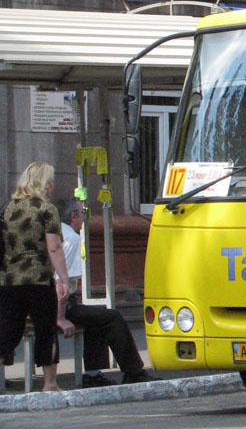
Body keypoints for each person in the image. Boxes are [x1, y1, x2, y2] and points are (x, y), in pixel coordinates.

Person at [56, 198, 153, 387]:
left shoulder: (55, 232)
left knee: (96, 318)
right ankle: (133, 371)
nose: (85, 216)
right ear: (73, 216)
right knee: (112, 317)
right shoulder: (71, 237)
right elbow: (60, 283)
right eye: (83, 212)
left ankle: (92, 374)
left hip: (48, 303)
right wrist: (61, 317)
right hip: (58, 306)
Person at [0, 162, 69, 392]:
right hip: (39, 280)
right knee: (46, 331)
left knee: (8, 331)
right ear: (43, 183)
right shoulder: (46, 209)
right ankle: (49, 383)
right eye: (50, 181)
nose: (51, 186)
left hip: (9, 281)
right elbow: (54, 248)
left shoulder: (7, 208)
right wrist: (64, 278)